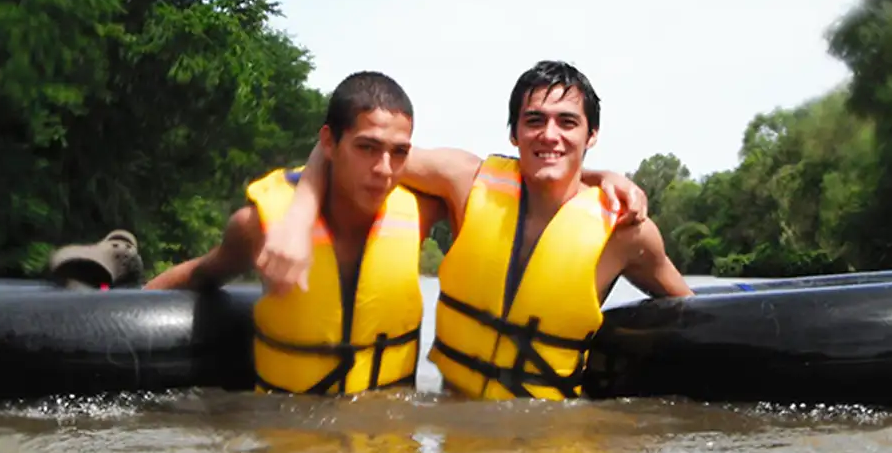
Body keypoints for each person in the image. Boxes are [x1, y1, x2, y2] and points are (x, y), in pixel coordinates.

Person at [258, 60, 693, 402]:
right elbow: (345, 145)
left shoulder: (627, 230)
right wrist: (298, 219)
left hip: (551, 452)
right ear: (513, 133)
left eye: (567, 122)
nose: (550, 134)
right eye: (534, 120)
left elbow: (693, 314)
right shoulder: (463, 182)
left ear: (591, 134)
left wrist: (600, 178)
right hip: (457, 445)